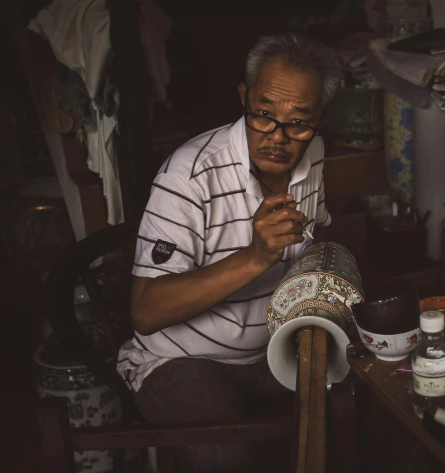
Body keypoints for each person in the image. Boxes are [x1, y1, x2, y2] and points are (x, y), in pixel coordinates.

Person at [116, 33, 339, 472]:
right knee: (228, 453)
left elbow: (317, 238)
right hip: (184, 359)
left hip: (272, 352)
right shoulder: (190, 175)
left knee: (361, 404)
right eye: (263, 115)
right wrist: (256, 256)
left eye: (298, 121)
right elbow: (145, 310)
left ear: (320, 119)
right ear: (244, 97)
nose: (278, 137)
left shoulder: (313, 152)